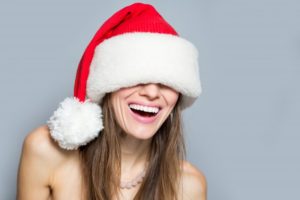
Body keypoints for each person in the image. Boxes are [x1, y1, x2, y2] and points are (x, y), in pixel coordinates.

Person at [17, 3, 207, 200]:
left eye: (167, 81)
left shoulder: (190, 186)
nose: (152, 92)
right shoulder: (44, 151)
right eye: (137, 76)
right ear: (108, 84)